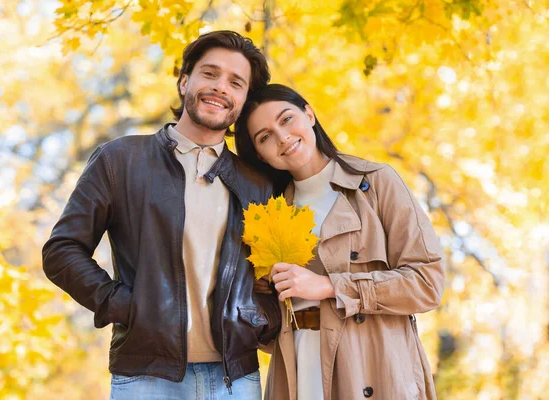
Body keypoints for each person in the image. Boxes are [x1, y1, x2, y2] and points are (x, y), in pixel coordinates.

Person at [42, 31, 281, 400]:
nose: (220, 88)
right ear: (185, 80)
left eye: (236, 82)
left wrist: (259, 320)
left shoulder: (257, 183)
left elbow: (272, 273)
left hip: (236, 378)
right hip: (145, 376)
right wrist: (124, 305)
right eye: (210, 74)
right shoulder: (120, 160)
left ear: (244, 99)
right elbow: (61, 251)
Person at [234, 84, 445, 400]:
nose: (282, 137)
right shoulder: (267, 214)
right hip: (298, 374)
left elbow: (427, 283)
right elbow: (267, 327)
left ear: (309, 113)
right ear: (259, 154)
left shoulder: (374, 184)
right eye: (264, 137)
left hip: (373, 370)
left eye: (286, 119)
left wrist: (331, 287)